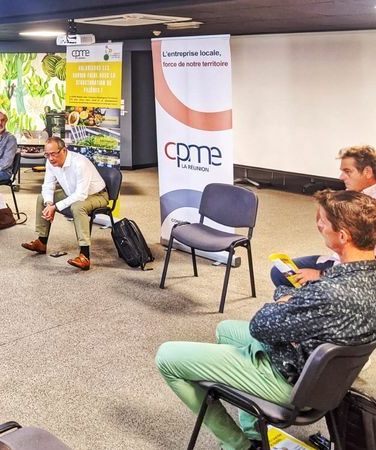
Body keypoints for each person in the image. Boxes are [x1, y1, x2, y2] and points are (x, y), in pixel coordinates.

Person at [156, 189, 376, 450]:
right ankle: (255, 432)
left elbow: (260, 325)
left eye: (324, 222)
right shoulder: (363, 277)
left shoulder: (330, 293)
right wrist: (292, 302)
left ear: (343, 235)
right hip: (324, 377)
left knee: (167, 357)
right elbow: (303, 309)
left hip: (293, 381)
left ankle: (237, 445)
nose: (319, 225)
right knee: (226, 330)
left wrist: (285, 300)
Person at [270, 145, 376, 287]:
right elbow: (323, 226)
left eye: (347, 171)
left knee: (282, 277)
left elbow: (367, 266)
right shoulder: (355, 195)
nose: (341, 177)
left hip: (357, 273)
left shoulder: (366, 203)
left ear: (367, 172)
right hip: (342, 262)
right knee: (281, 271)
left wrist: (321, 274)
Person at [21, 137, 108, 270]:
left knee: (78, 206)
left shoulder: (80, 163)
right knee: (42, 198)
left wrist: (55, 207)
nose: (50, 158)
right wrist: (49, 204)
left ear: (64, 150)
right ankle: (41, 242)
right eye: (47, 154)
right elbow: (48, 185)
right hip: (71, 193)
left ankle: (85, 256)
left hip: (97, 195)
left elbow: (81, 195)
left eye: (53, 154)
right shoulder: (50, 162)